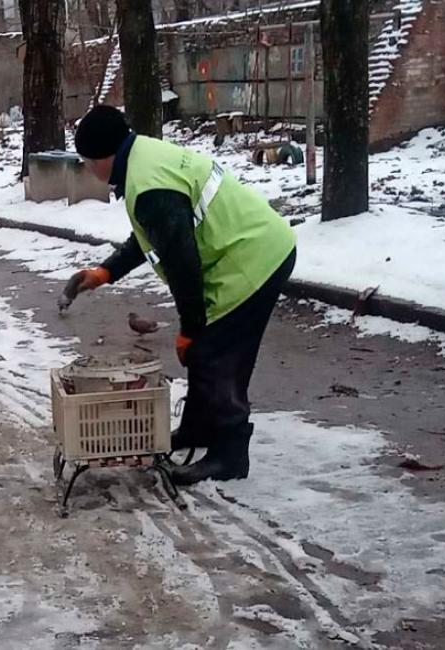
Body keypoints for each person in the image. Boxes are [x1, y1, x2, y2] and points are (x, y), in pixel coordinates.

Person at [66, 105, 296, 486]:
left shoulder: (148, 184)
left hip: (252, 259)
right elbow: (156, 236)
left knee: (213, 353)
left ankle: (230, 455)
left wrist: (189, 330)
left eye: (89, 161)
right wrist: (106, 272)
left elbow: (182, 264)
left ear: (104, 157)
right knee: (208, 351)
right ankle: (199, 430)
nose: (89, 169)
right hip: (249, 249)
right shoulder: (144, 159)